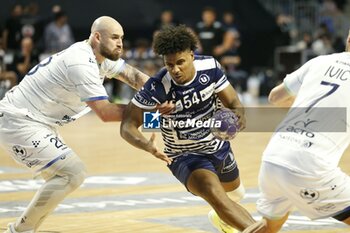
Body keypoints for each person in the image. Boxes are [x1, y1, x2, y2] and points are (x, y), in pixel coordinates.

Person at [0, 16, 170, 233]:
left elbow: (134, 77)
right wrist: (155, 114)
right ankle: (18, 231)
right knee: (72, 173)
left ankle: (25, 230)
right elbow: (106, 113)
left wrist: (165, 96)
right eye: (115, 37)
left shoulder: (99, 57)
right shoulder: (80, 61)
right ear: (97, 37)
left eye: (122, 38)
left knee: (61, 179)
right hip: (19, 121)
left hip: (37, 122)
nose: (120, 43)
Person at [120, 25, 267, 233]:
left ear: (192, 54)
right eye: (169, 64)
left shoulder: (210, 66)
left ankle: (223, 219)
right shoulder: (157, 86)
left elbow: (233, 100)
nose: (175, 70)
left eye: (180, 62)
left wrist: (239, 114)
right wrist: (148, 143)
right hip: (184, 155)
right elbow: (128, 125)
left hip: (217, 146)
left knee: (235, 196)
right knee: (215, 195)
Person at [243, 30, 350, 233]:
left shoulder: (319, 62)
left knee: (268, 227)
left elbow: (275, 97)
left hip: (274, 157)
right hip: (309, 166)